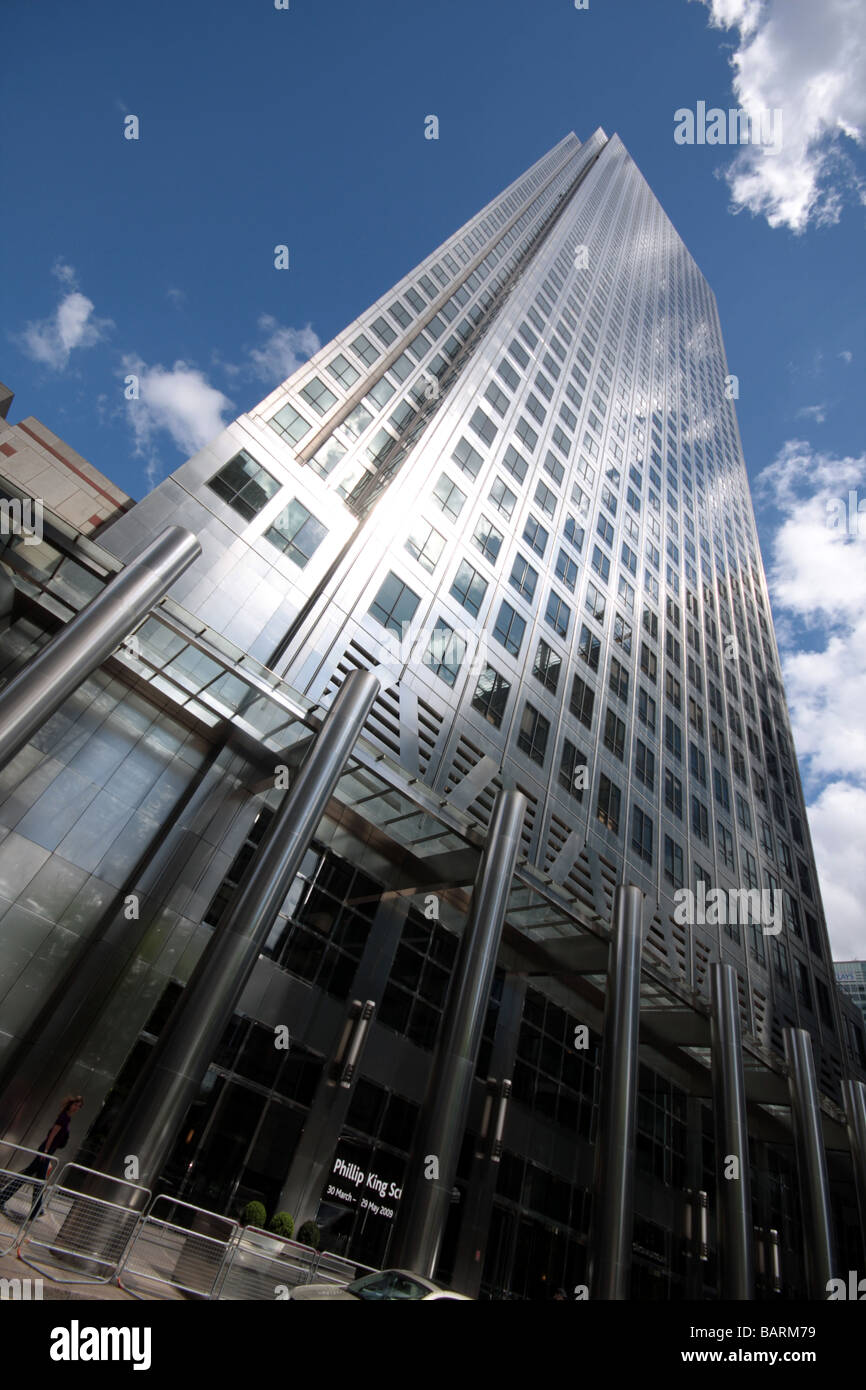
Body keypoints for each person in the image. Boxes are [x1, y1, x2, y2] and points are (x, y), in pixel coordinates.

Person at [0, 1094, 84, 1222]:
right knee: (37, 1180)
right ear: (70, 1105)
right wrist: (45, 1151)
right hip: (45, 1151)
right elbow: (52, 1134)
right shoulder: (64, 1118)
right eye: (75, 1105)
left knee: (33, 1179)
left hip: (47, 1151)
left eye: (79, 1106)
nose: (76, 1108)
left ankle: (32, 1208)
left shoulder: (67, 1118)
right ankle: (34, 1209)